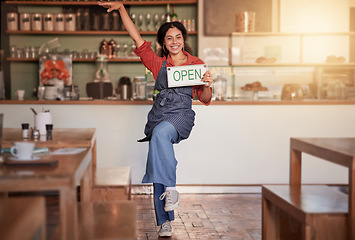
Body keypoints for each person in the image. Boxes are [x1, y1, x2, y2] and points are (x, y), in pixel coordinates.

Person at [98, 1, 213, 237]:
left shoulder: (197, 64)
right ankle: (164, 222)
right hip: (159, 114)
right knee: (158, 153)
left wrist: (209, 84)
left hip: (181, 115)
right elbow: (136, 37)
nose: (174, 42)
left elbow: (204, 97)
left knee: (160, 136)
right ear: (163, 43)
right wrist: (121, 9)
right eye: (169, 38)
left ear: (183, 39)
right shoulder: (157, 63)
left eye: (178, 37)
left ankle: (170, 189)